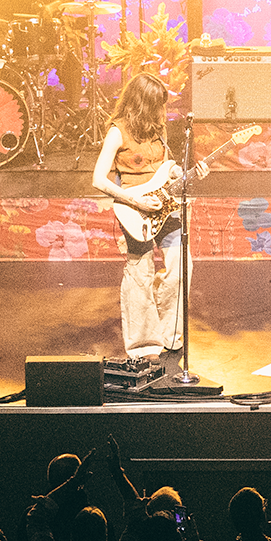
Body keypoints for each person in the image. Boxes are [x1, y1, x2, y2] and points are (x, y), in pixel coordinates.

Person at [92, 72, 182, 360]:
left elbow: (164, 167)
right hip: (134, 209)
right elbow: (98, 179)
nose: (162, 112)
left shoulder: (158, 129)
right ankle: (144, 344)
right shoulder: (118, 131)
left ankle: (169, 333)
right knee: (140, 273)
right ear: (143, 103)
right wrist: (135, 200)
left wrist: (177, 172)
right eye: (157, 105)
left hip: (165, 205)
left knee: (181, 266)